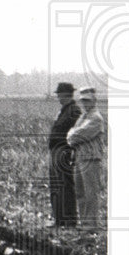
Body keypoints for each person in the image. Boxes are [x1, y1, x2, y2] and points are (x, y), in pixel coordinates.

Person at [67, 87, 106, 229]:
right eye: (82, 100)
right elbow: (72, 134)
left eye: (87, 100)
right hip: (80, 157)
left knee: (90, 192)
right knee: (80, 191)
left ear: (94, 100)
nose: (84, 103)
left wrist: (72, 135)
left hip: (91, 158)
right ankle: (84, 222)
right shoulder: (83, 117)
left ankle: (91, 224)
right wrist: (72, 135)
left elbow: (78, 135)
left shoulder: (96, 118)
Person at [47, 82, 80, 228]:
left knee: (65, 186)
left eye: (60, 95)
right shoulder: (64, 110)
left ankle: (69, 221)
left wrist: (71, 150)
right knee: (56, 185)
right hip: (56, 151)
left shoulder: (74, 110)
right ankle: (59, 220)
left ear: (66, 95)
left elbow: (76, 133)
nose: (58, 97)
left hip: (64, 151)